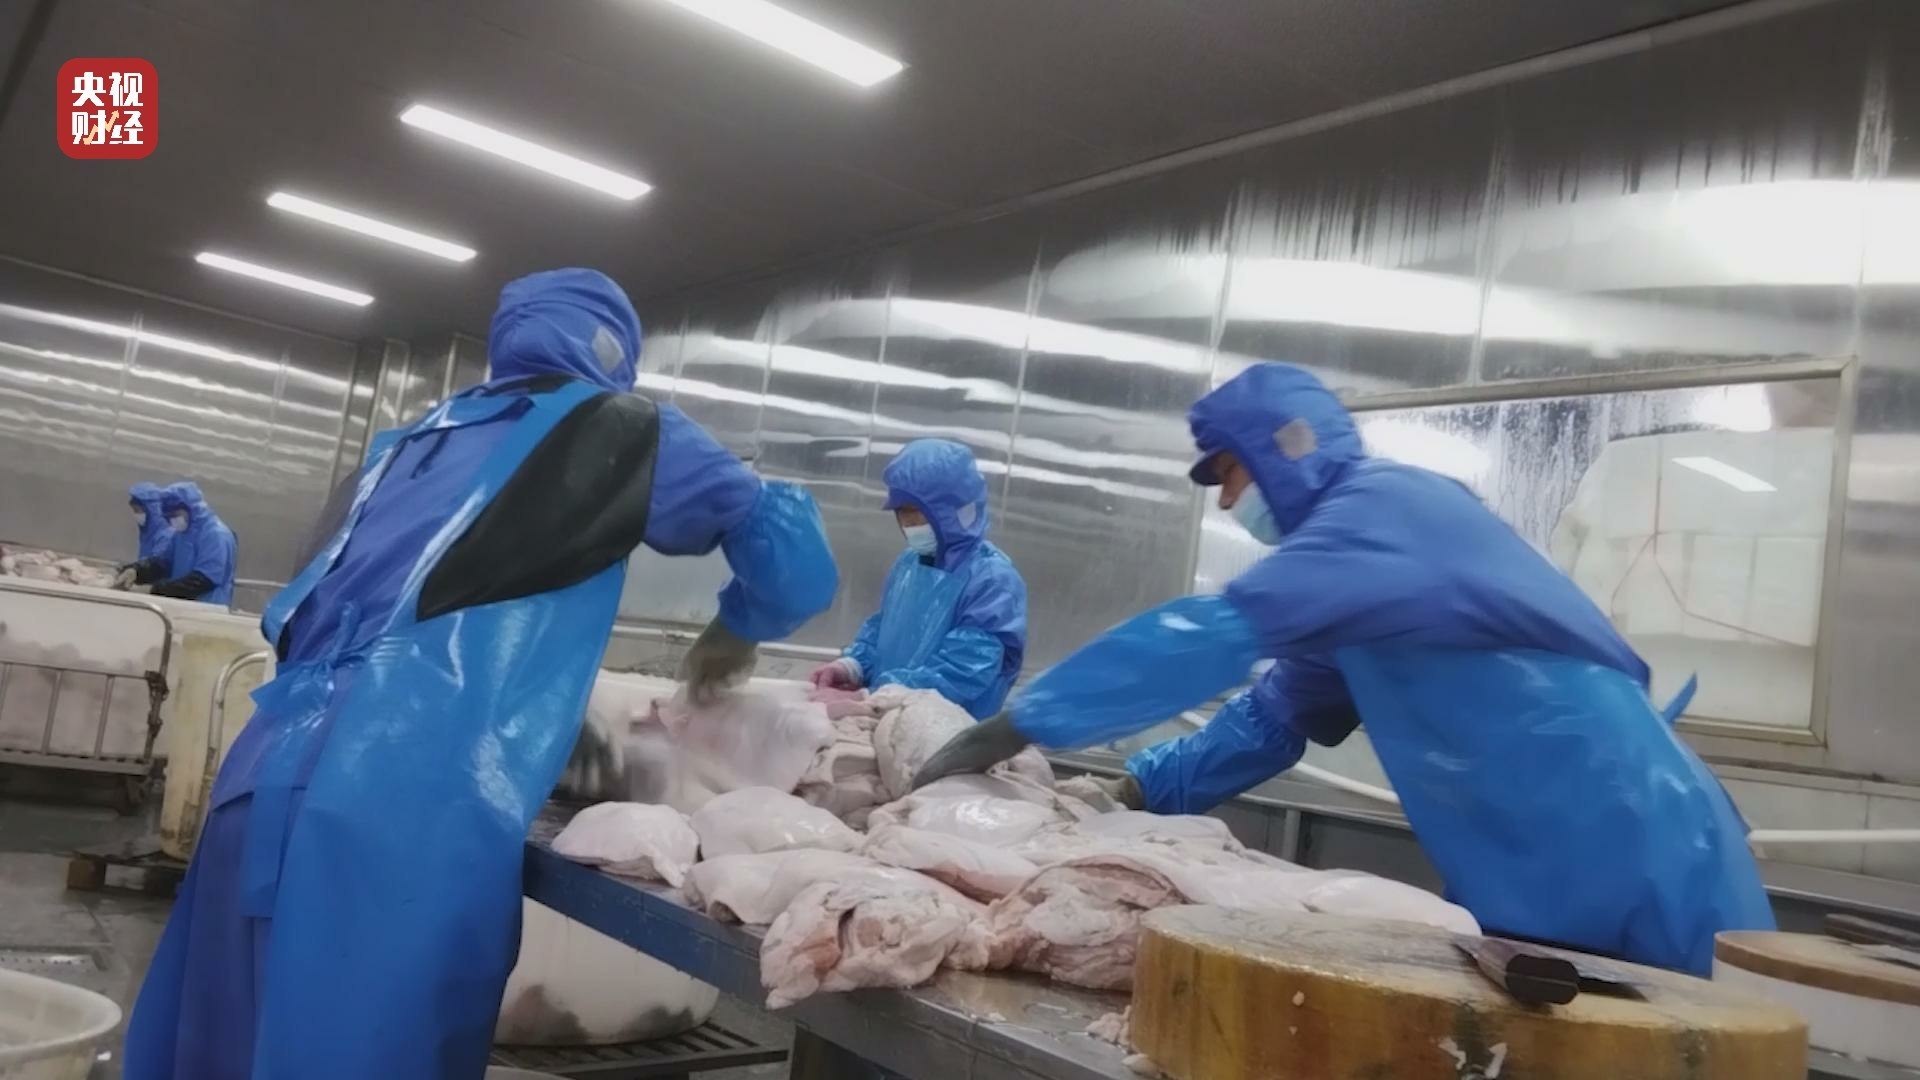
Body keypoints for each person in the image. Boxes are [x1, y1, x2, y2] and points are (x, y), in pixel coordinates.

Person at [124, 268, 838, 1080]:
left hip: (261, 771)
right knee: (366, 1053)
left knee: (220, 1041)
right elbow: (794, 562)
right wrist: (734, 630)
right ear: (614, 353)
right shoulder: (618, 425)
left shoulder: (407, 444)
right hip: (407, 808)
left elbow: (357, 606)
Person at [913, 361, 1774, 975]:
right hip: (1538, 866)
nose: (1226, 502)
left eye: (1229, 474)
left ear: (1283, 448)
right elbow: (1275, 716)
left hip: (1632, 840)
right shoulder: (1355, 588)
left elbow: (1207, 636)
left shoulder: (1388, 511)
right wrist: (1138, 790)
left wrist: (1021, 723)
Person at [809, 439, 1027, 718]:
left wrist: (871, 697)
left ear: (952, 509)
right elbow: (882, 631)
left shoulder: (991, 580)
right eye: (902, 512)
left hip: (949, 730)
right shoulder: (908, 564)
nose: (908, 524)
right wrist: (852, 666)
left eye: (917, 512)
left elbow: (964, 670)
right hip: (885, 713)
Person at [115, 481, 237, 603]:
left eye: (175, 514)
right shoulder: (180, 534)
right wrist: (136, 571)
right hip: (183, 604)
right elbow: (163, 564)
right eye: (168, 516)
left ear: (191, 508)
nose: (172, 520)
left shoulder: (216, 535)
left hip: (207, 607)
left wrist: (154, 590)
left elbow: (202, 581)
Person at [128, 482, 172, 562]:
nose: (136, 514)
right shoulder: (147, 532)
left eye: (137, 510)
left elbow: (155, 563)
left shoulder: (165, 535)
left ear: (151, 510)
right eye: (134, 511)